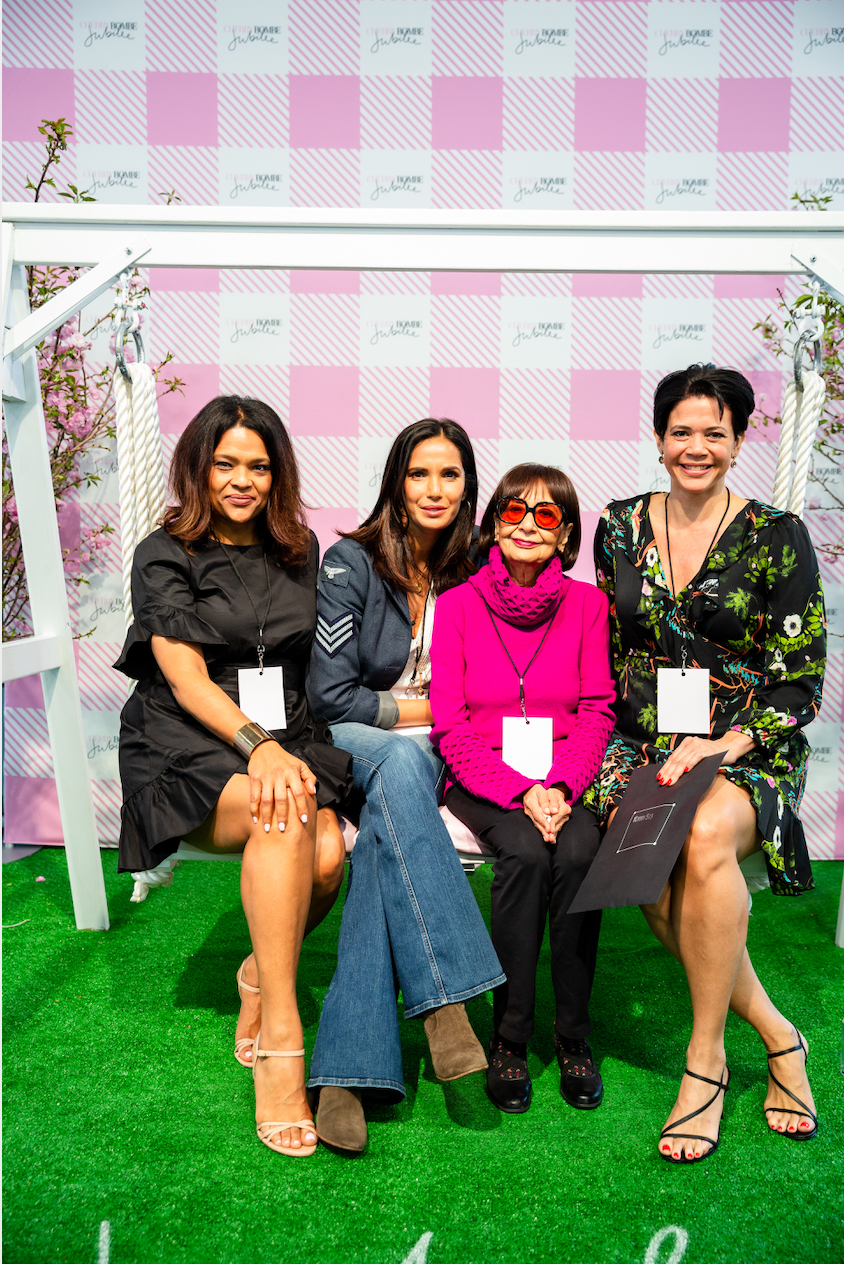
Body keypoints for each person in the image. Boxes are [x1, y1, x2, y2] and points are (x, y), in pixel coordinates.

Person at [588, 363, 825, 1163]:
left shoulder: (777, 535)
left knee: (702, 835)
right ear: (659, 439)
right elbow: (611, 649)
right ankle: (779, 1035)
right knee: (647, 878)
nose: (697, 447)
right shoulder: (617, 526)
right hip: (640, 744)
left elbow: (801, 679)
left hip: (744, 743)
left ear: (738, 441)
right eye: (681, 431)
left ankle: (706, 1060)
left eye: (714, 433)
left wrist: (725, 744)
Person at [115, 395, 352, 1158]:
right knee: (283, 817)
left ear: (276, 472)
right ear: (199, 467)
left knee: (326, 857)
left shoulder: (298, 546)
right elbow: (184, 679)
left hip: (283, 735)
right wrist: (258, 747)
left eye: (258, 464)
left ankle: (257, 974)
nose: (242, 479)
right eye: (226, 464)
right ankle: (283, 1034)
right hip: (186, 742)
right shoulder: (162, 552)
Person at [305, 418, 505, 1152]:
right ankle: (445, 1002)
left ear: (467, 486)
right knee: (401, 763)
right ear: (395, 480)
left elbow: (499, 681)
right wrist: (425, 710)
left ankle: (343, 1073)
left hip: (447, 748)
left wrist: (449, 718)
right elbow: (331, 699)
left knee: (389, 838)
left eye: (449, 475)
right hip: (357, 743)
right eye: (419, 474)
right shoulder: (348, 562)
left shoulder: (480, 564)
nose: (433, 489)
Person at [430, 464, 616, 1115]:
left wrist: (560, 785)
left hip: (566, 777)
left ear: (566, 536)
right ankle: (510, 1034)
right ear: (493, 526)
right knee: (527, 854)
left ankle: (572, 1035)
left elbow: (597, 710)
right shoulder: (455, 605)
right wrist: (519, 791)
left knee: (575, 854)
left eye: (547, 515)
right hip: (480, 775)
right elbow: (449, 726)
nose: (529, 526)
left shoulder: (590, 606)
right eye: (515, 512)